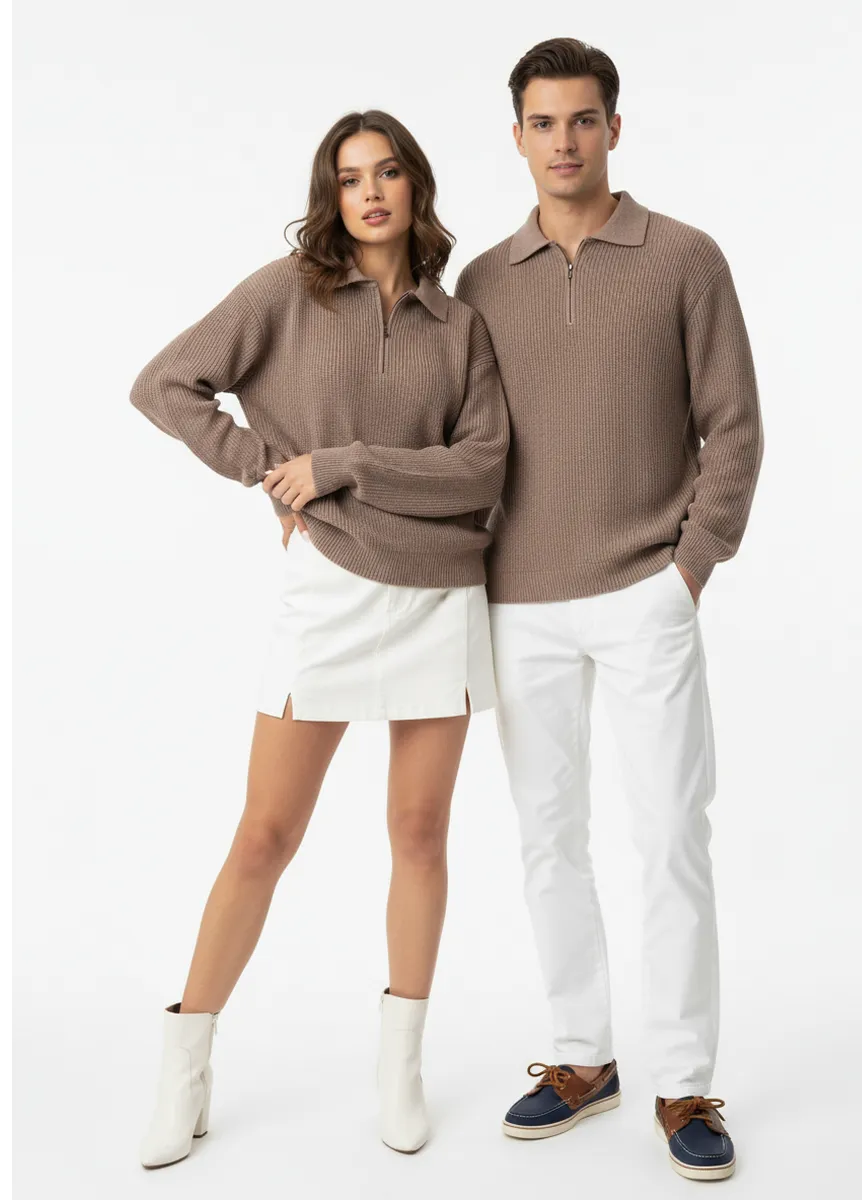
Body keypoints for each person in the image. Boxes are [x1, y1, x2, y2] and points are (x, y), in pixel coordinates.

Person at [130, 109, 509, 1167]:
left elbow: (483, 466)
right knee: (264, 835)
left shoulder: (459, 325)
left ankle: (400, 1071)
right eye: (350, 178)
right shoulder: (285, 294)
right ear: (331, 196)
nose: (371, 192)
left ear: (414, 185)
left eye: (387, 172)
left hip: (441, 592)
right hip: (329, 588)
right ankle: (185, 1070)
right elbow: (164, 384)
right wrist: (264, 470)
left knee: (420, 832)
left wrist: (340, 465)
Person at [454, 38, 763, 1181]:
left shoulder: (684, 257)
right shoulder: (483, 282)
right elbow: (458, 440)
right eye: (543, 122)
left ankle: (683, 1082)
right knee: (548, 838)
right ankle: (584, 1058)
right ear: (517, 136)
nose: (564, 141)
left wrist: (689, 569)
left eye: (583, 119)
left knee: (672, 833)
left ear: (615, 129)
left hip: (646, 589)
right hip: (518, 600)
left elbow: (733, 426)